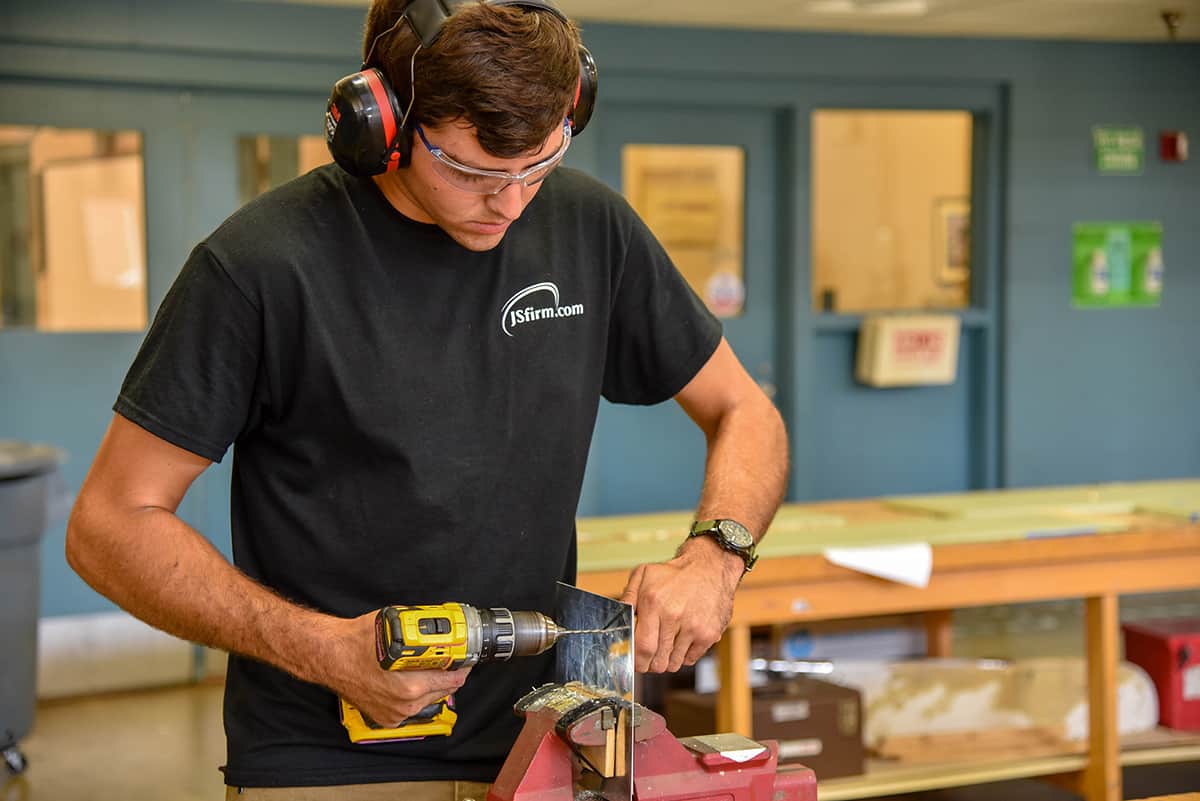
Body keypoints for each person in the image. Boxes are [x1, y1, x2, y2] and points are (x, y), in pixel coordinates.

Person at [65, 0, 788, 798]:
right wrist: (325, 648)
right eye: (473, 172)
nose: (511, 204)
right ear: (382, 124)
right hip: (331, 765)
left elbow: (745, 411)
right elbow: (109, 524)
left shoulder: (590, 227)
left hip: (542, 745)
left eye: (538, 165)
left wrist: (715, 556)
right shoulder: (263, 267)